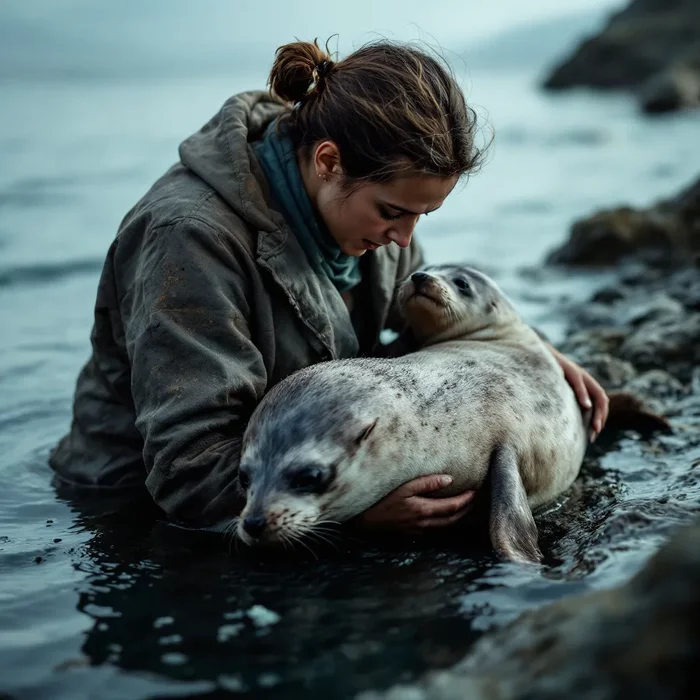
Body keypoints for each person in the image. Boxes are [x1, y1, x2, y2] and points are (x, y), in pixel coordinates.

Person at [49, 40, 609, 534]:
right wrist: (356, 513)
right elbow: (187, 466)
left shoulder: (376, 231)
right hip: (139, 514)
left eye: (422, 216)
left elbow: (416, 356)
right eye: (392, 211)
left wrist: (527, 356)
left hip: (305, 485)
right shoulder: (188, 240)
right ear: (328, 161)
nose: (403, 239)